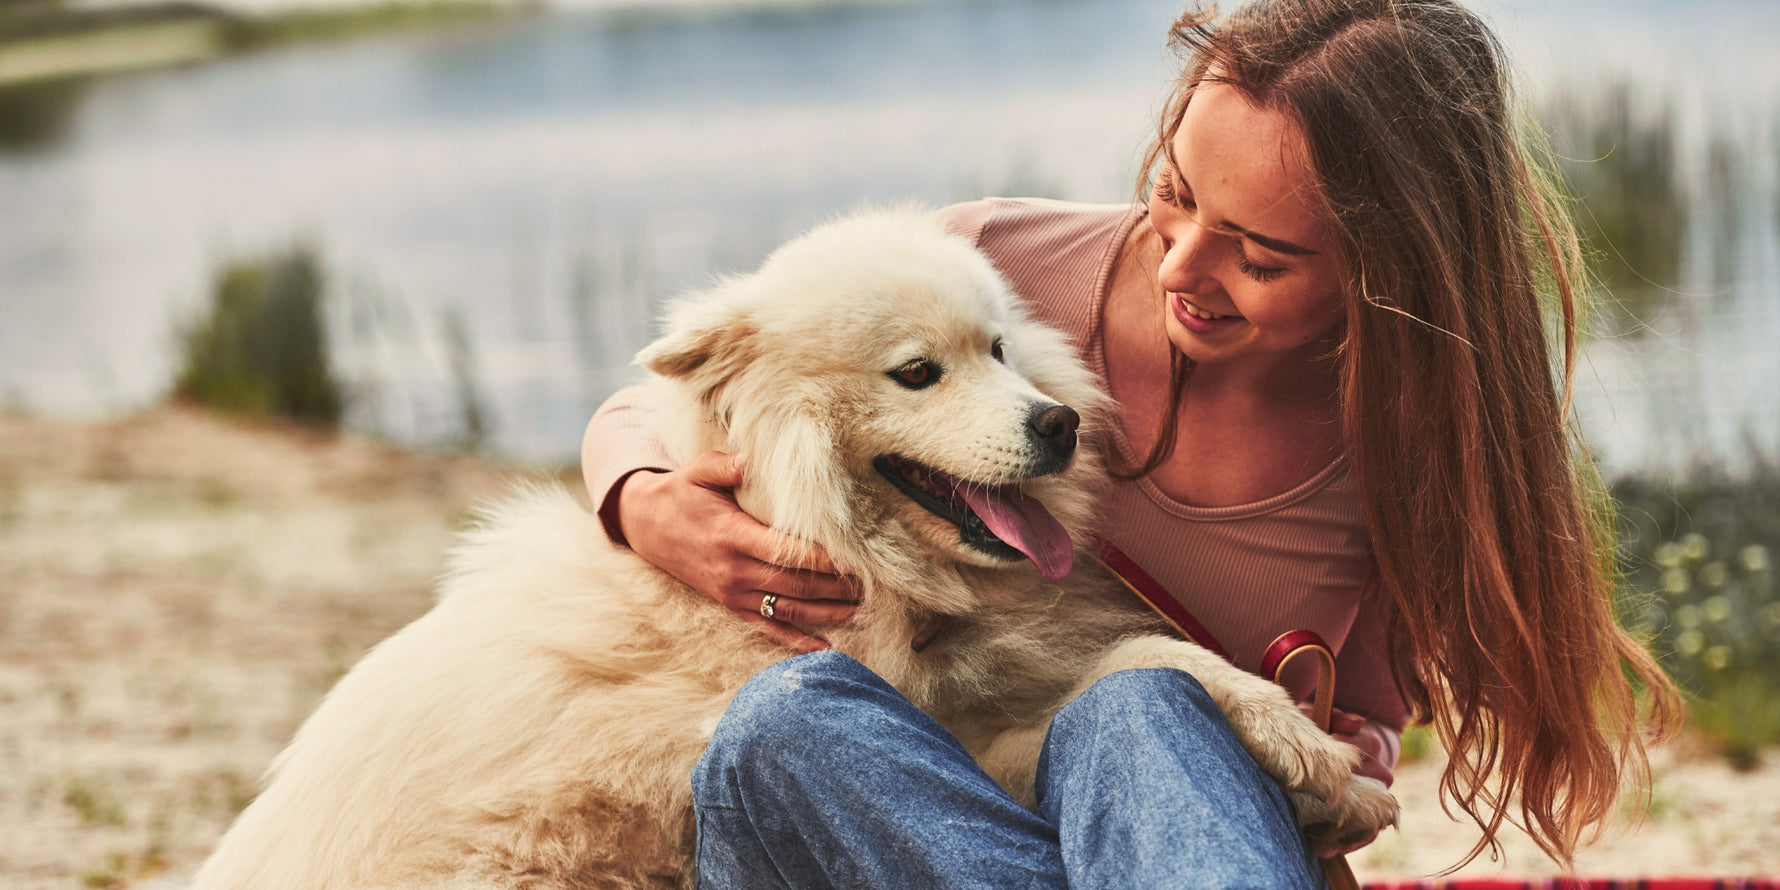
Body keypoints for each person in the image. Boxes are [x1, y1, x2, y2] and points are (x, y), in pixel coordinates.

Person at [582, 0, 1681, 884]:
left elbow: (1360, 745)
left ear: (1384, 270)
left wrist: (1303, 752)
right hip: (895, 818)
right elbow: (704, 377)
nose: (1181, 267)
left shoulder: (1404, 457)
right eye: (1174, 193)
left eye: (1257, 255)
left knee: (1143, 707)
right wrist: (640, 496)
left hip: (1167, 835)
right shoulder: (985, 265)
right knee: (784, 723)